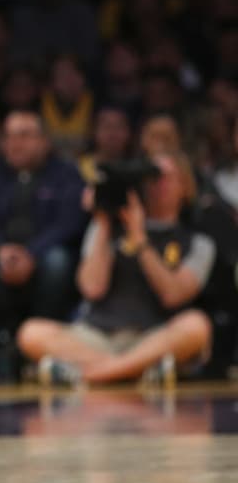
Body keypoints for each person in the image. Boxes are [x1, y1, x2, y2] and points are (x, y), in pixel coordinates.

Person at [17, 153, 214, 385]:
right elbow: (92, 288)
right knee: (30, 332)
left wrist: (140, 240)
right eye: (152, 178)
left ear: (186, 187)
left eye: (166, 178)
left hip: (152, 336)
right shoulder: (106, 227)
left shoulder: (199, 243)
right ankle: (134, 371)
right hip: (97, 335)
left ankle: (91, 373)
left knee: (197, 326)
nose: (158, 185)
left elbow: (173, 295)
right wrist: (102, 221)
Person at [0, 110, 87, 331]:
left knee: (57, 262)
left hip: (43, 254)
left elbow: (69, 222)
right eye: (9, 136)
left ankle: (46, 332)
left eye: (24, 135)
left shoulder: (66, 172)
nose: (15, 143)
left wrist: (32, 253)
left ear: (45, 141)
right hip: (1, 252)